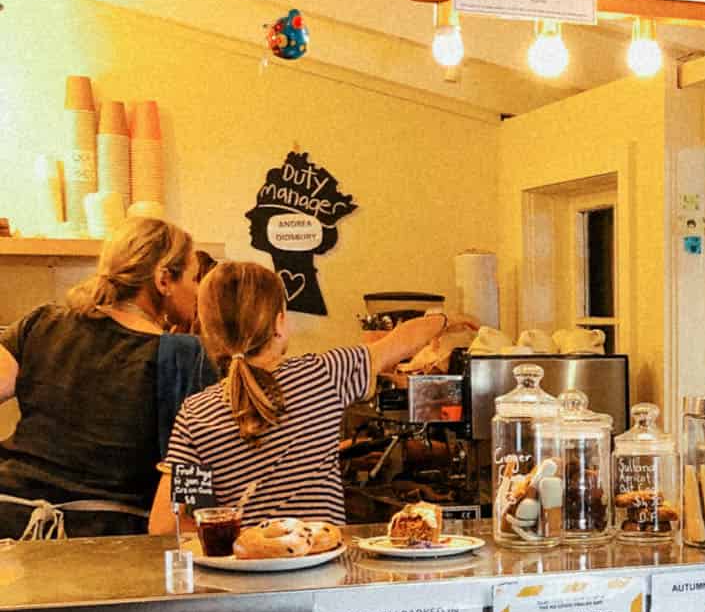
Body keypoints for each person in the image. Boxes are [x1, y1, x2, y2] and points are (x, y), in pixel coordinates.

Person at [150, 261, 459, 530]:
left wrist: (236, 543)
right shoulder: (324, 375)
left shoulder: (195, 413)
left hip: (243, 572)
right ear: (279, 324)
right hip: (322, 568)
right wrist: (445, 320)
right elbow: (399, 343)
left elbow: (166, 523)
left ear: (210, 333)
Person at [0, 216, 210, 538]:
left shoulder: (43, 322)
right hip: (109, 541)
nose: (198, 292)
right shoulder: (186, 357)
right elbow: (190, 477)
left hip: (10, 522)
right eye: (194, 279)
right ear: (164, 279)